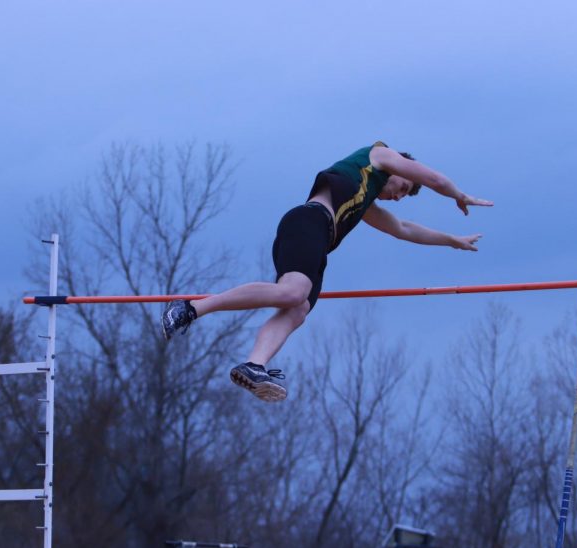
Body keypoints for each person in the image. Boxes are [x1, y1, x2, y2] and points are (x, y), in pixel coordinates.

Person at [162, 141, 492, 401]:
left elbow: (404, 229)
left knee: (298, 309)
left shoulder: (365, 201)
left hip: (319, 242)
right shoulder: (378, 155)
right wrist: (459, 195)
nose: (399, 196)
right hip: (308, 222)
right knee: (294, 294)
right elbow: (432, 178)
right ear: (398, 166)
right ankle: (190, 309)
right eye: (404, 187)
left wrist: (452, 241)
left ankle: (254, 364)